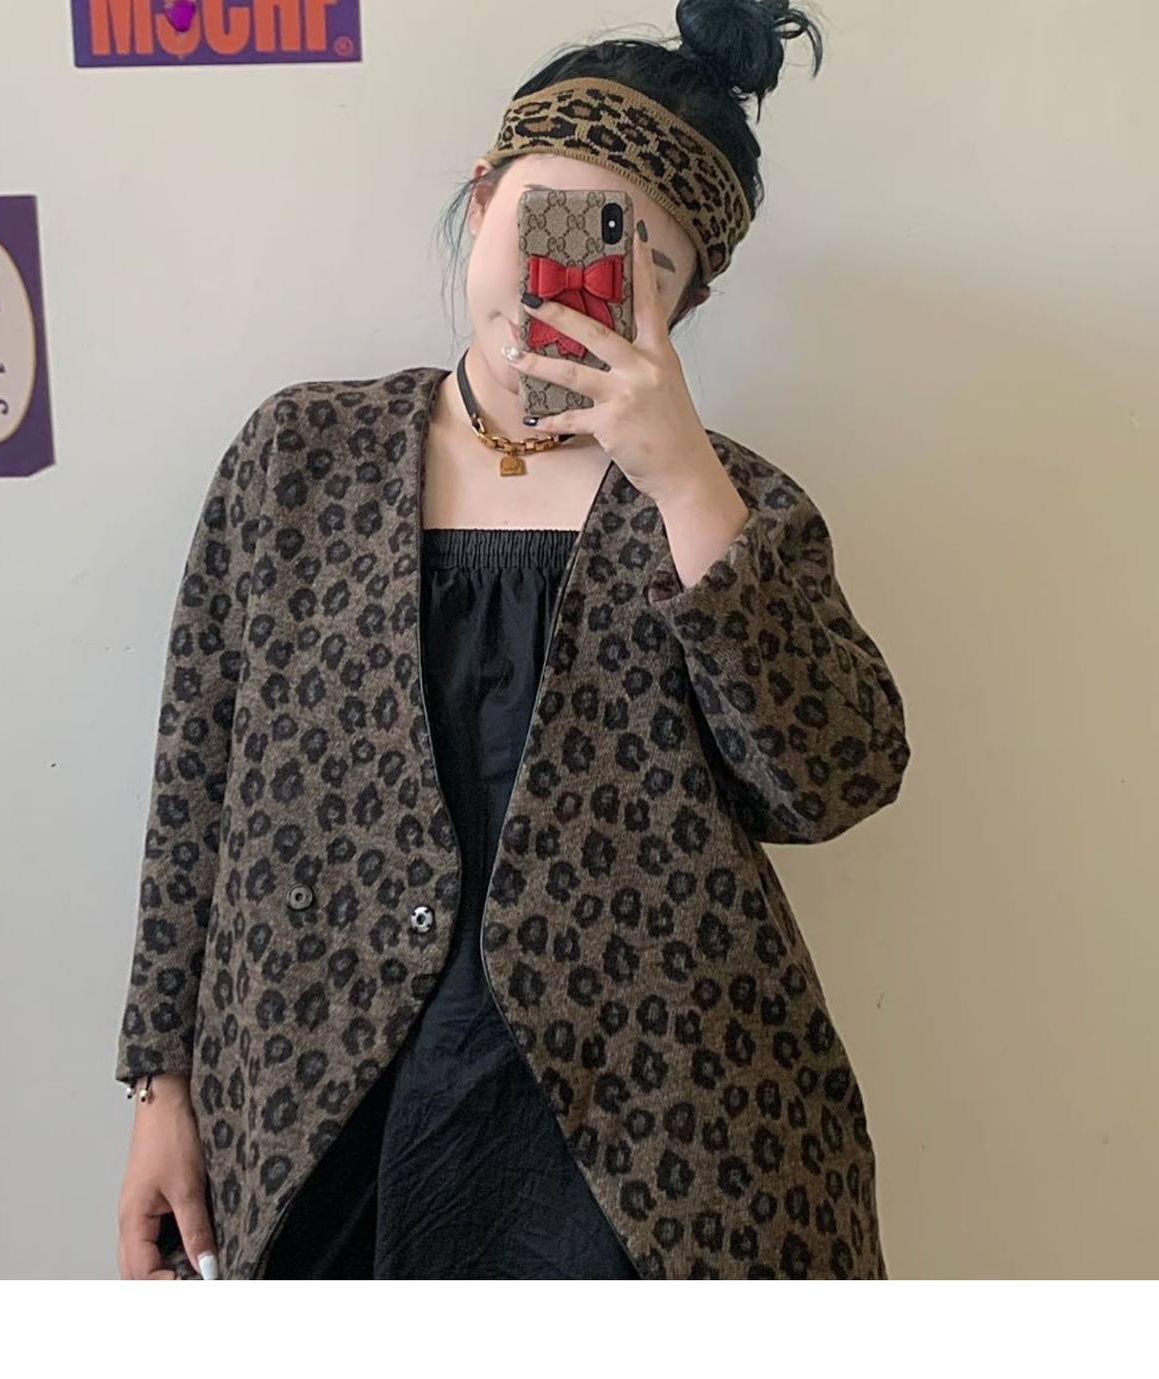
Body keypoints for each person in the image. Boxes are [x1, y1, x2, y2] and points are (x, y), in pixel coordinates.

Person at [114, 0, 911, 1280]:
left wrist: (685, 483)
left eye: (635, 262)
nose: (564, 284)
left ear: (689, 302)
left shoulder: (727, 501)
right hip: (326, 1094)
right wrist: (160, 1086)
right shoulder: (297, 458)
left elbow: (833, 781)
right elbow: (193, 780)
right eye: (550, 222)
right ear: (483, 196)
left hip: (655, 1133)